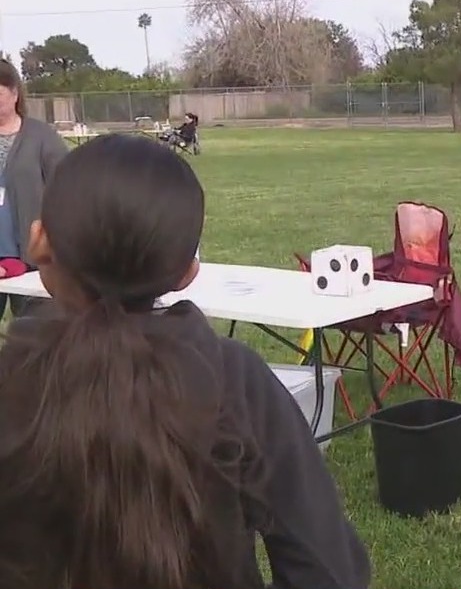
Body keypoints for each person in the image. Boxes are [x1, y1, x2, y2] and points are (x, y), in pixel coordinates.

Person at [0, 134, 371, 589]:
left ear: (40, 243)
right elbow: (328, 572)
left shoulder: (10, 383)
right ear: (186, 273)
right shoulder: (235, 380)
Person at [0, 58, 68, 319]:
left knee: (33, 333)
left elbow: (66, 185)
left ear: (15, 93)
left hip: (31, 260)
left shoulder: (41, 137)